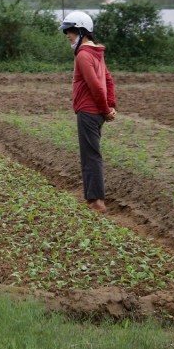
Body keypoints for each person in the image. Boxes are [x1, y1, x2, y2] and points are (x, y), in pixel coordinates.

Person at [59, 11, 117, 213]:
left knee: (90, 156)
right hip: (97, 113)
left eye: (71, 33)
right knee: (92, 154)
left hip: (88, 112)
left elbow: (96, 86)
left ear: (82, 31)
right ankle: (94, 199)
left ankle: (96, 202)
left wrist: (106, 108)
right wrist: (110, 106)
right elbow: (108, 79)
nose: (69, 36)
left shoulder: (83, 55)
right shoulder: (96, 53)